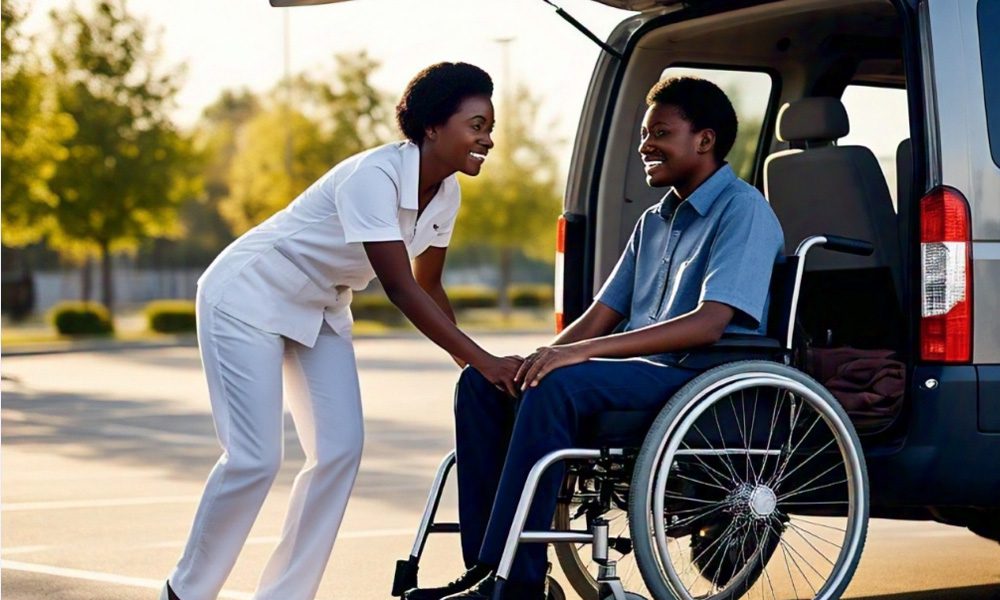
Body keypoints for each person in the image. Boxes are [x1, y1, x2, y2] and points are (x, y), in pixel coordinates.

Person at [404, 77, 785, 600]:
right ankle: (487, 573)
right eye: (644, 134)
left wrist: (578, 356)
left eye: (661, 133)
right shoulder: (654, 221)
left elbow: (710, 321)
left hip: (698, 378)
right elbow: (603, 312)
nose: (645, 145)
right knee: (484, 384)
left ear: (705, 140)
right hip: (641, 376)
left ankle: (512, 582)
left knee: (560, 386)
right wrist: (546, 355)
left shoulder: (743, 210)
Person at [161, 62, 522, 600]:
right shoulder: (373, 177)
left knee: (339, 450)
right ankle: (185, 592)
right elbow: (402, 289)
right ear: (431, 127)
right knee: (255, 458)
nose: (487, 140)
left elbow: (431, 285)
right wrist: (481, 361)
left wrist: (473, 362)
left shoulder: (446, 193)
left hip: (322, 305)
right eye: (476, 126)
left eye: (489, 127)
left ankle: (284, 595)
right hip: (248, 294)